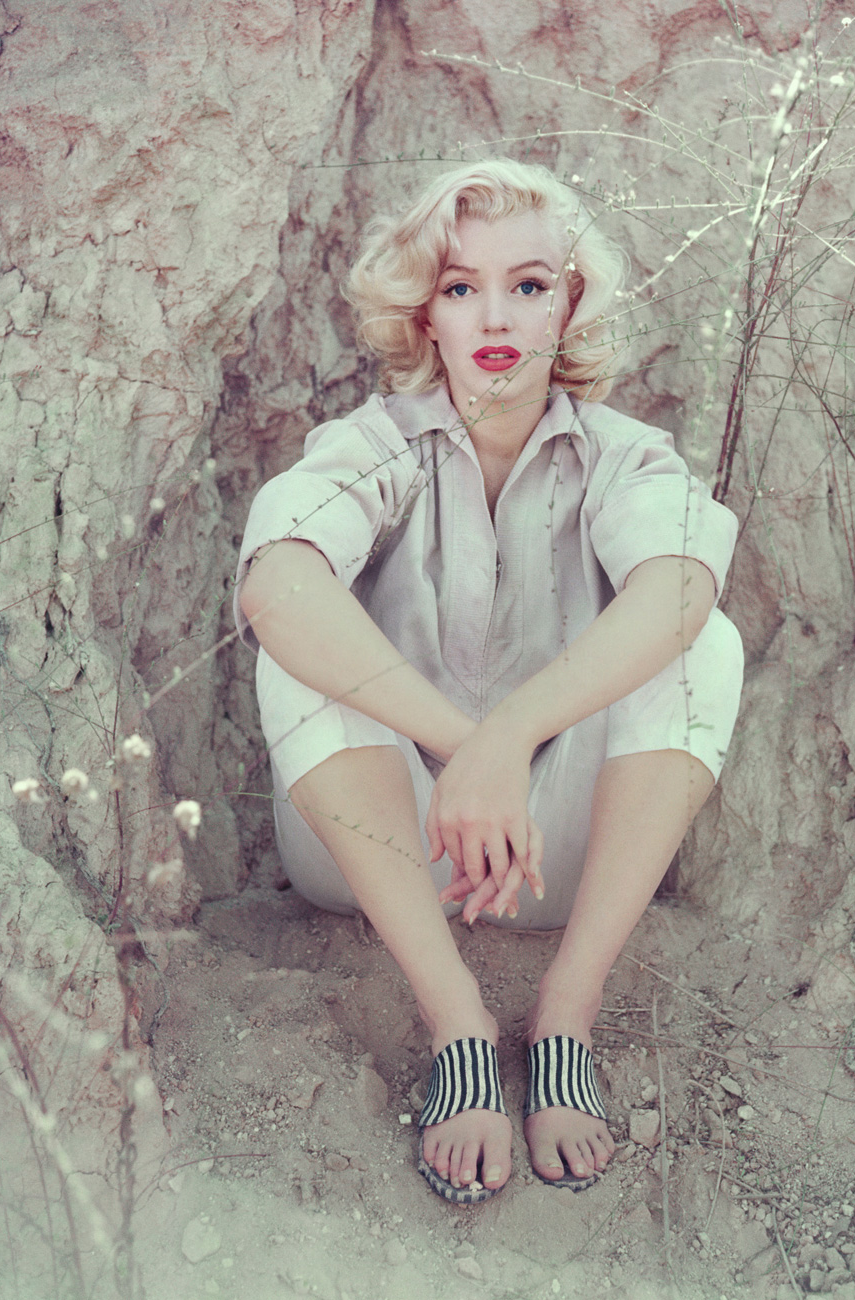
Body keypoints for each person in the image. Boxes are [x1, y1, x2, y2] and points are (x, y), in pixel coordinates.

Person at [235, 158, 743, 1204]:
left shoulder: (623, 457)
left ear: (570, 301)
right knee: (296, 641)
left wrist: (508, 741)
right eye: (462, 286)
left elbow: (681, 589)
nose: (496, 315)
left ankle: (565, 1013)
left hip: (555, 854)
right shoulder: (373, 446)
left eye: (529, 283)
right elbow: (276, 585)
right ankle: (457, 1020)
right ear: (426, 312)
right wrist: (463, 754)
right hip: (384, 847)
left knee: (706, 644)